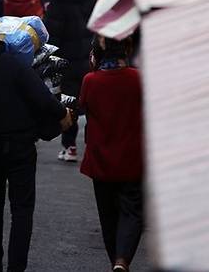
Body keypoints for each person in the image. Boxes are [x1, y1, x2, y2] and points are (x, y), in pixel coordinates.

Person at [0, 12, 73, 272]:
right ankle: (16, 266)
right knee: (22, 208)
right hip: (20, 146)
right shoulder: (12, 64)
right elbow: (41, 98)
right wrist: (63, 114)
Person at [79, 36, 144, 272]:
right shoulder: (138, 79)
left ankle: (115, 261)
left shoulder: (90, 81)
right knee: (133, 211)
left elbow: (83, 107)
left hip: (101, 159)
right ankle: (121, 261)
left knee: (107, 215)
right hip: (133, 157)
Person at [42, 0, 97, 162]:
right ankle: (94, 146)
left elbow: (53, 25)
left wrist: (50, 54)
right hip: (95, 50)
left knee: (69, 98)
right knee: (96, 99)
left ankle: (70, 145)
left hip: (67, 52)